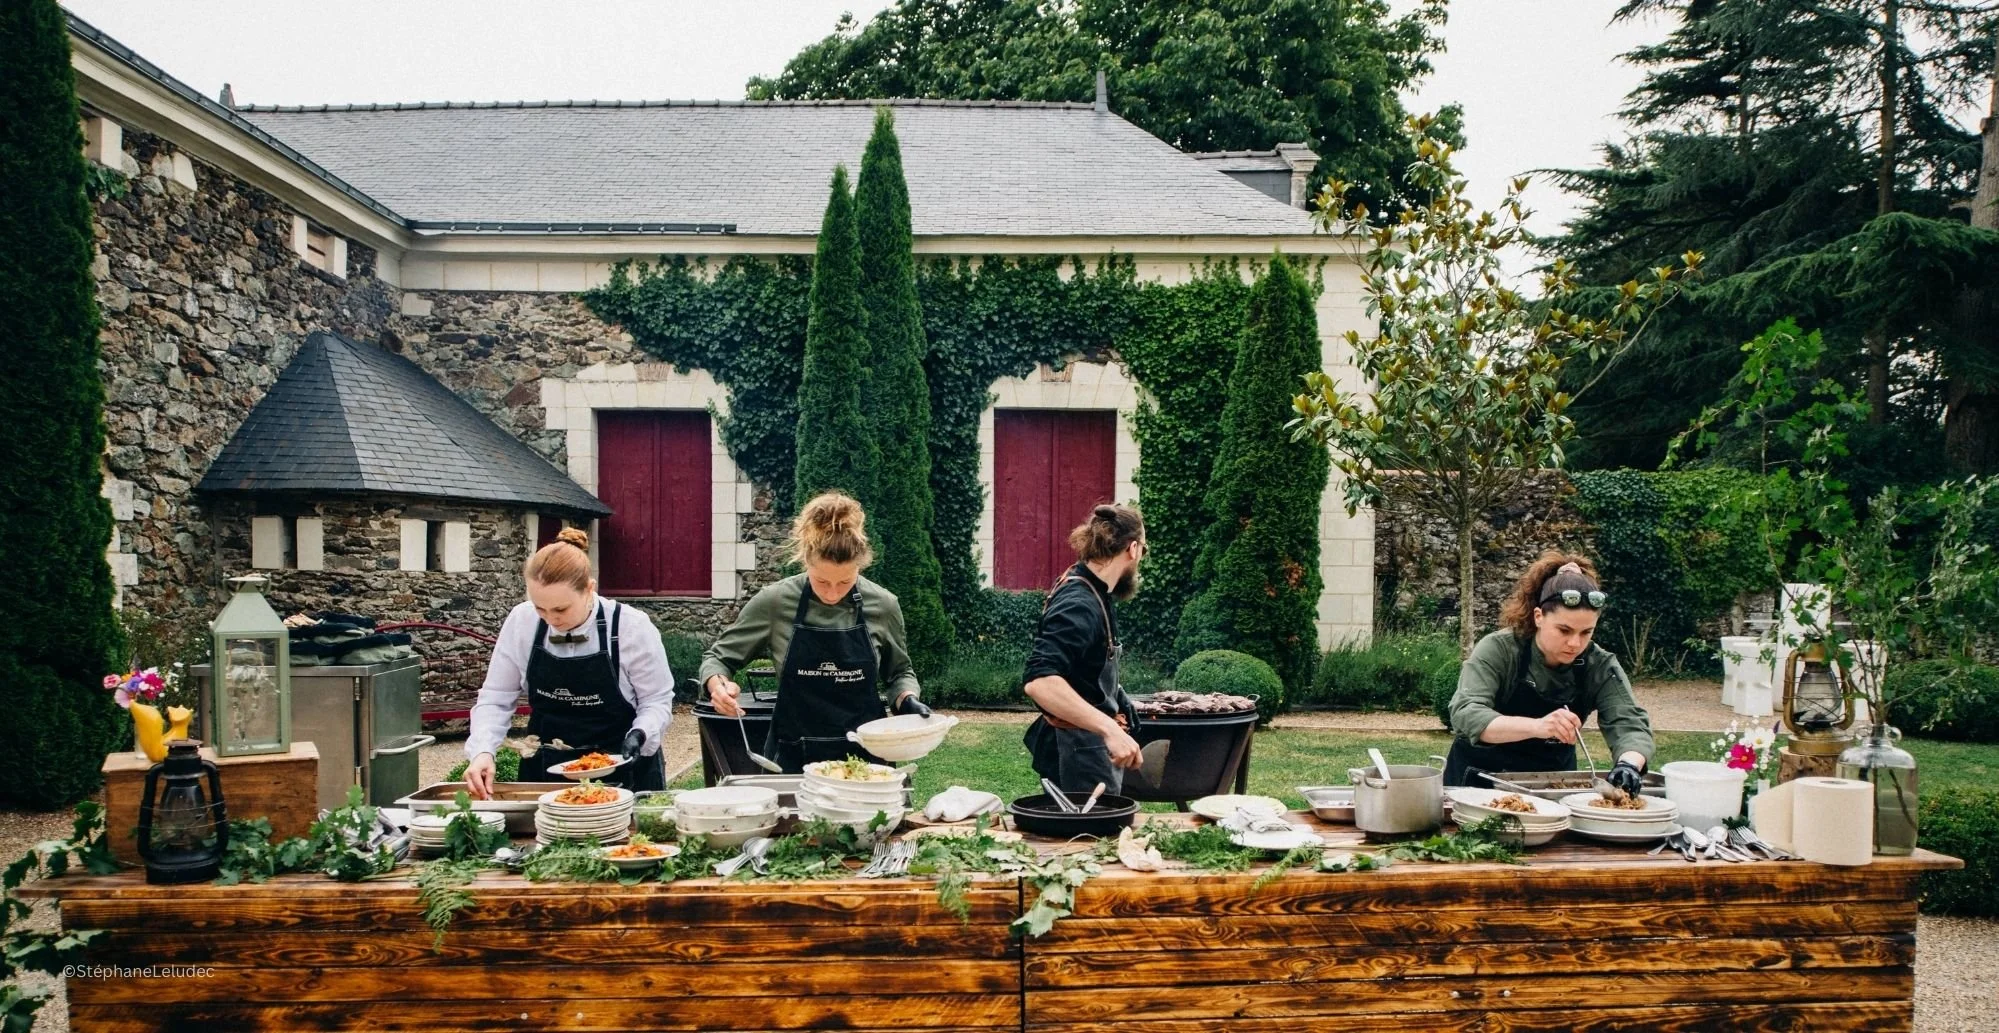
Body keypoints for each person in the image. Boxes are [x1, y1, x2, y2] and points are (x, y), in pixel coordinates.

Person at [700, 492, 927, 772]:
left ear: (860, 565)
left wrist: (908, 701)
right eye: (821, 580)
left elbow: (899, 673)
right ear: (806, 561)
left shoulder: (883, 604)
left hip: (868, 762)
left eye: (844, 581)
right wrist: (717, 684)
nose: (832, 593)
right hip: (791, 758)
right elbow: (719, 658)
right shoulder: (775, 602)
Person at [463, 528, 673, 798]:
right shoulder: (522, 622)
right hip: (545, 769)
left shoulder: (631, 626)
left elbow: (656, 700)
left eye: (561, 609)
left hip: (622, 763)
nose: (550, 619)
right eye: (540, 607)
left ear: (589, 589)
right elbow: (496, 697)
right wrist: (482, 750)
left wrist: (641, 733)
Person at [1443, 552, 1654, 794]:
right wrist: (1539, 727)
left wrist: (1628, 764)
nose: (1575, 643)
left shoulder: (1600, 664)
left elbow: (1628, 722)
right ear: (1539, 617)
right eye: (1564, 630)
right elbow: (1466, 712)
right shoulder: (1499, 649)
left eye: (1586, 632)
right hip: (1477, 782)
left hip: (1553, 785)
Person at [1021, 504, 1147, 795]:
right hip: (1077, 751)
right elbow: (1040, 682)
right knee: (1086, 840)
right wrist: (1110, 729)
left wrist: (1117, 696)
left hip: (1085, 746)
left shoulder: (1094, 588)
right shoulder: (1080, 602)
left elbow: (1081, 666)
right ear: (1133, 549)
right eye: (1144, 551)